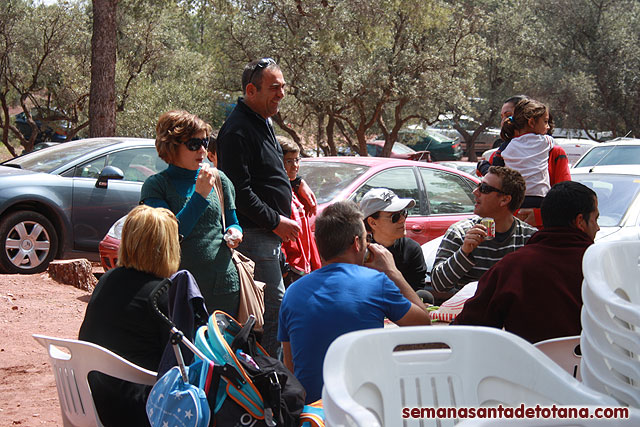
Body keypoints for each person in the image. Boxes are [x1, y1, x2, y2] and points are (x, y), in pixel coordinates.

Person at [278, 201, 431, 403]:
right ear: (357, 243)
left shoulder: (292, 292)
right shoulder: (377, 283)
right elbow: (423, 323)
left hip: (312, 413)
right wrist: (392, 272)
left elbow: (291, 366)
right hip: (363, 409)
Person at [217, 58, 313, 357]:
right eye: (274, 88)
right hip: (255, 235)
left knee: (271, 308)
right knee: (273, 309)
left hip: (268, 235)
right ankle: (269, 382)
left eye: (283, 87)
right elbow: (239, 192)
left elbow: (268, 174)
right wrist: (276, 221)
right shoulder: (237, 130)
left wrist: (295, 185)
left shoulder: (263, 121)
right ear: (251, 90)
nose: (281, 93)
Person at [454, 181, 600, 343]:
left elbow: (468, 328)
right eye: (596, 219)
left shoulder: (512, 267)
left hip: (527, 365)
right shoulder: (606, 266)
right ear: (580, 221)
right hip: (592, 366)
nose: (598, 228)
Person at [78, 205, 179, 426]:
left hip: (92, 398)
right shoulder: (161, 294)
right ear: (168, 247)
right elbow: (181, 360)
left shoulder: (106, 280)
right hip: (138, 409)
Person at [140, 110, 242, 315]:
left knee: (222, 346)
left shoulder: (219, 179)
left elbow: (232, 221)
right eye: (194, 145)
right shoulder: (157, 186)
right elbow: (169, 236)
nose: (202, 151)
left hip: (223, 287)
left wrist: (235, 232)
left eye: (205, 143)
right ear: (171, 145)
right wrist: (200, 196)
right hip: (177, 288)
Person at [431, 166, 537, 293]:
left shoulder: (530, 239)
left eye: (484, 188)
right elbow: (438, 285)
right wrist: (464, 252)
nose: (475, 191)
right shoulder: (460, 232)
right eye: (478, 185)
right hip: (471, 311)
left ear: (504, 199)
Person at [359, 188, 428, 292]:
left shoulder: (412, 249)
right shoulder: (359, 253)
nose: (402, 219)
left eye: (403, 213)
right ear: (372, 222)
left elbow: (417, 293)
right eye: (394, 216)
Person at [278, 136, 321, 286]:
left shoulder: (295, 190)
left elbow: (307, 235)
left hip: (305, 268)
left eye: (297, 160)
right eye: (289, 161)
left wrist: (316, 265)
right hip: (290, 269)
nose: (295, 165)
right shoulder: (276, 193)